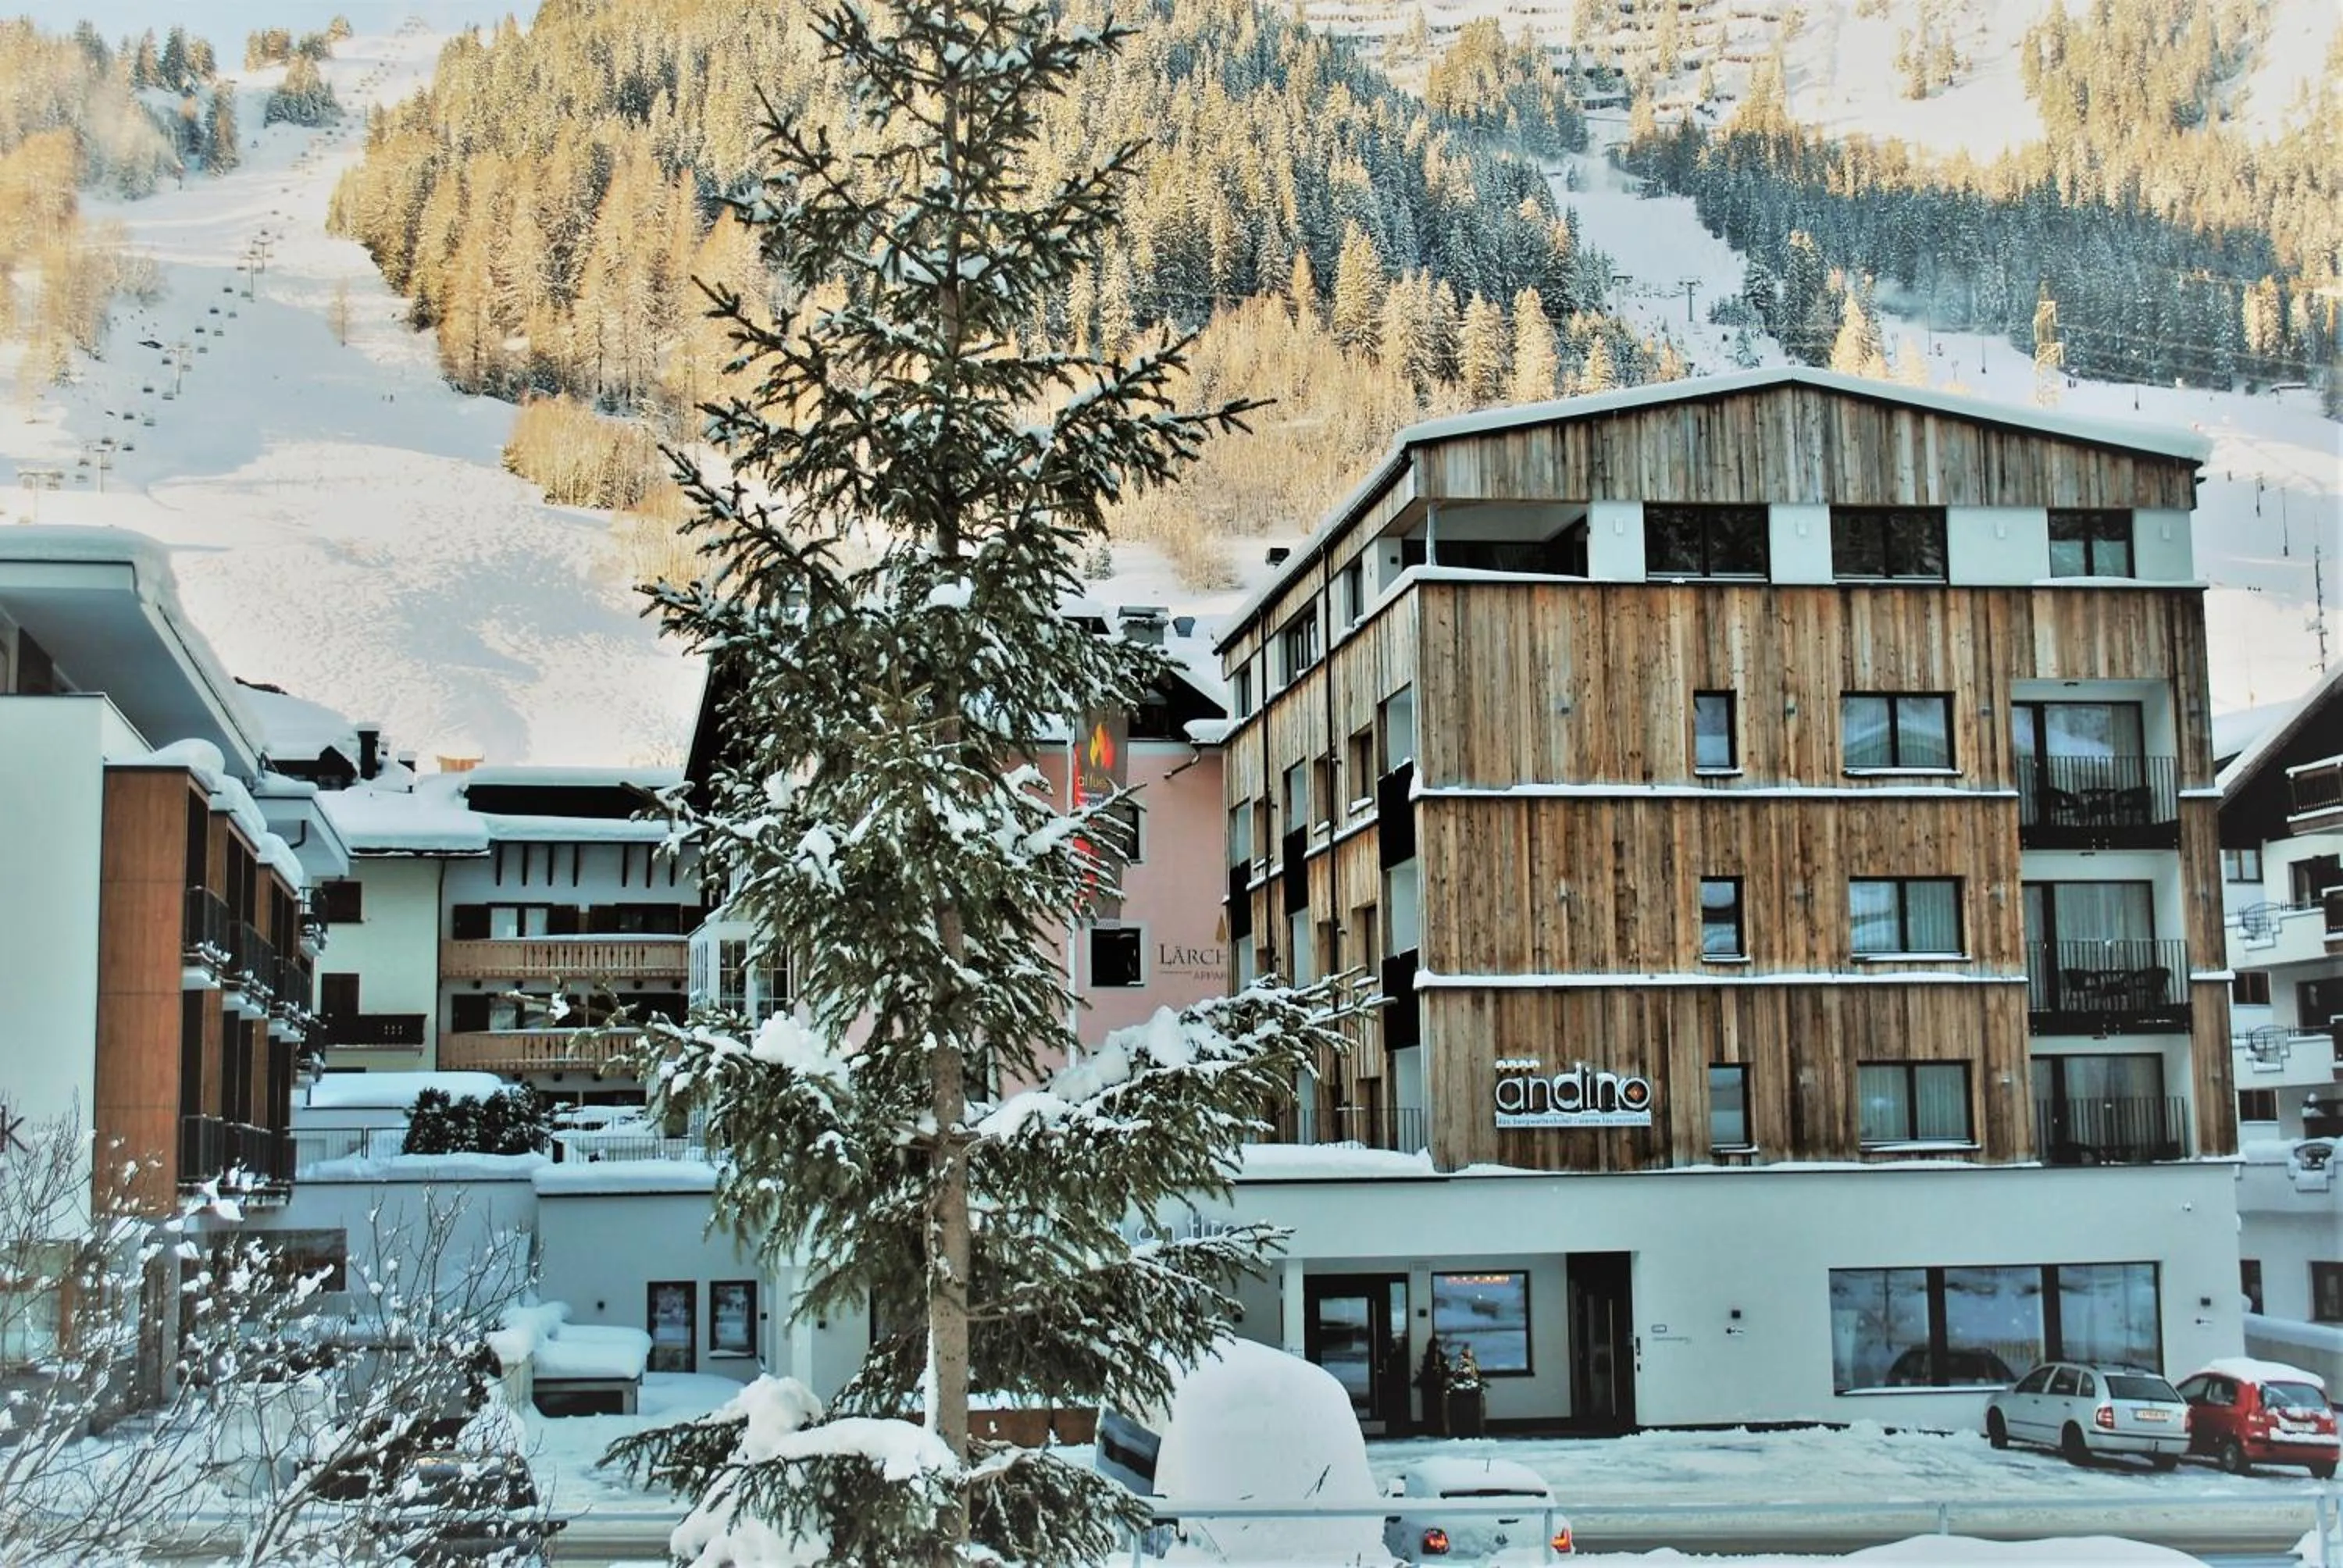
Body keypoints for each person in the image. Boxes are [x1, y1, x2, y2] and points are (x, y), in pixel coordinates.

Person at [1415, 1335, 1450, 1438]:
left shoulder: (1433, 1357)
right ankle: (1433, 1428)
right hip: (1434, 1386)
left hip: (1432, 1386)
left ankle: (1433, 1428)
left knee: (1433, 1409)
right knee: (1434, 1409)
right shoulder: (1437, 1357)